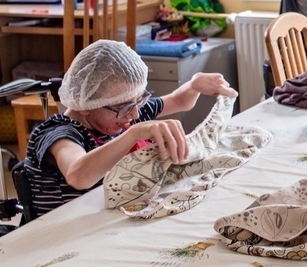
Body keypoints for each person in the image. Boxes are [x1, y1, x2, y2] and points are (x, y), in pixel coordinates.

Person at [22, 40, 237, 218]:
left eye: (138, 101)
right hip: (61, 234)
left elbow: (179, 101)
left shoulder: (125, 114)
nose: (134, 115)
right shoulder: (58, 133)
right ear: (84, 105)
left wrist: (194, 84)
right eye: (123, 107)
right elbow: (78, 176)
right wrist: (134, 134)